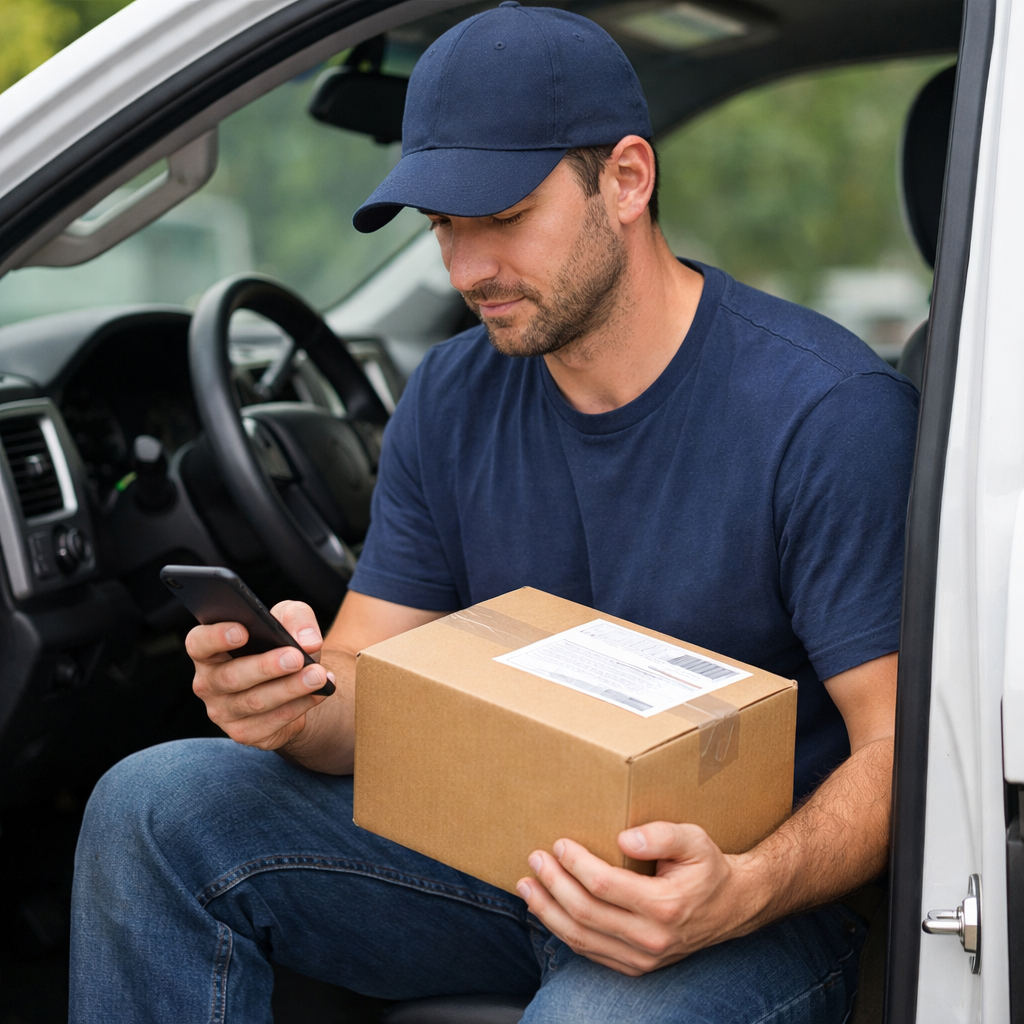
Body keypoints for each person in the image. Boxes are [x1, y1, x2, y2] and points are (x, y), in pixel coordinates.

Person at [69, 4, 918, 1022]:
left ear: (627, 180)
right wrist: (291, 700)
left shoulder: (825, 412)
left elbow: (898, 753)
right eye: (441, 227)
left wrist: (740, 892)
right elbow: (363, 699)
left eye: (504, 217)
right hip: (493, 849)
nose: (467, 269)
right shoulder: (452, 393)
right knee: (150, 806)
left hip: (737, 908)